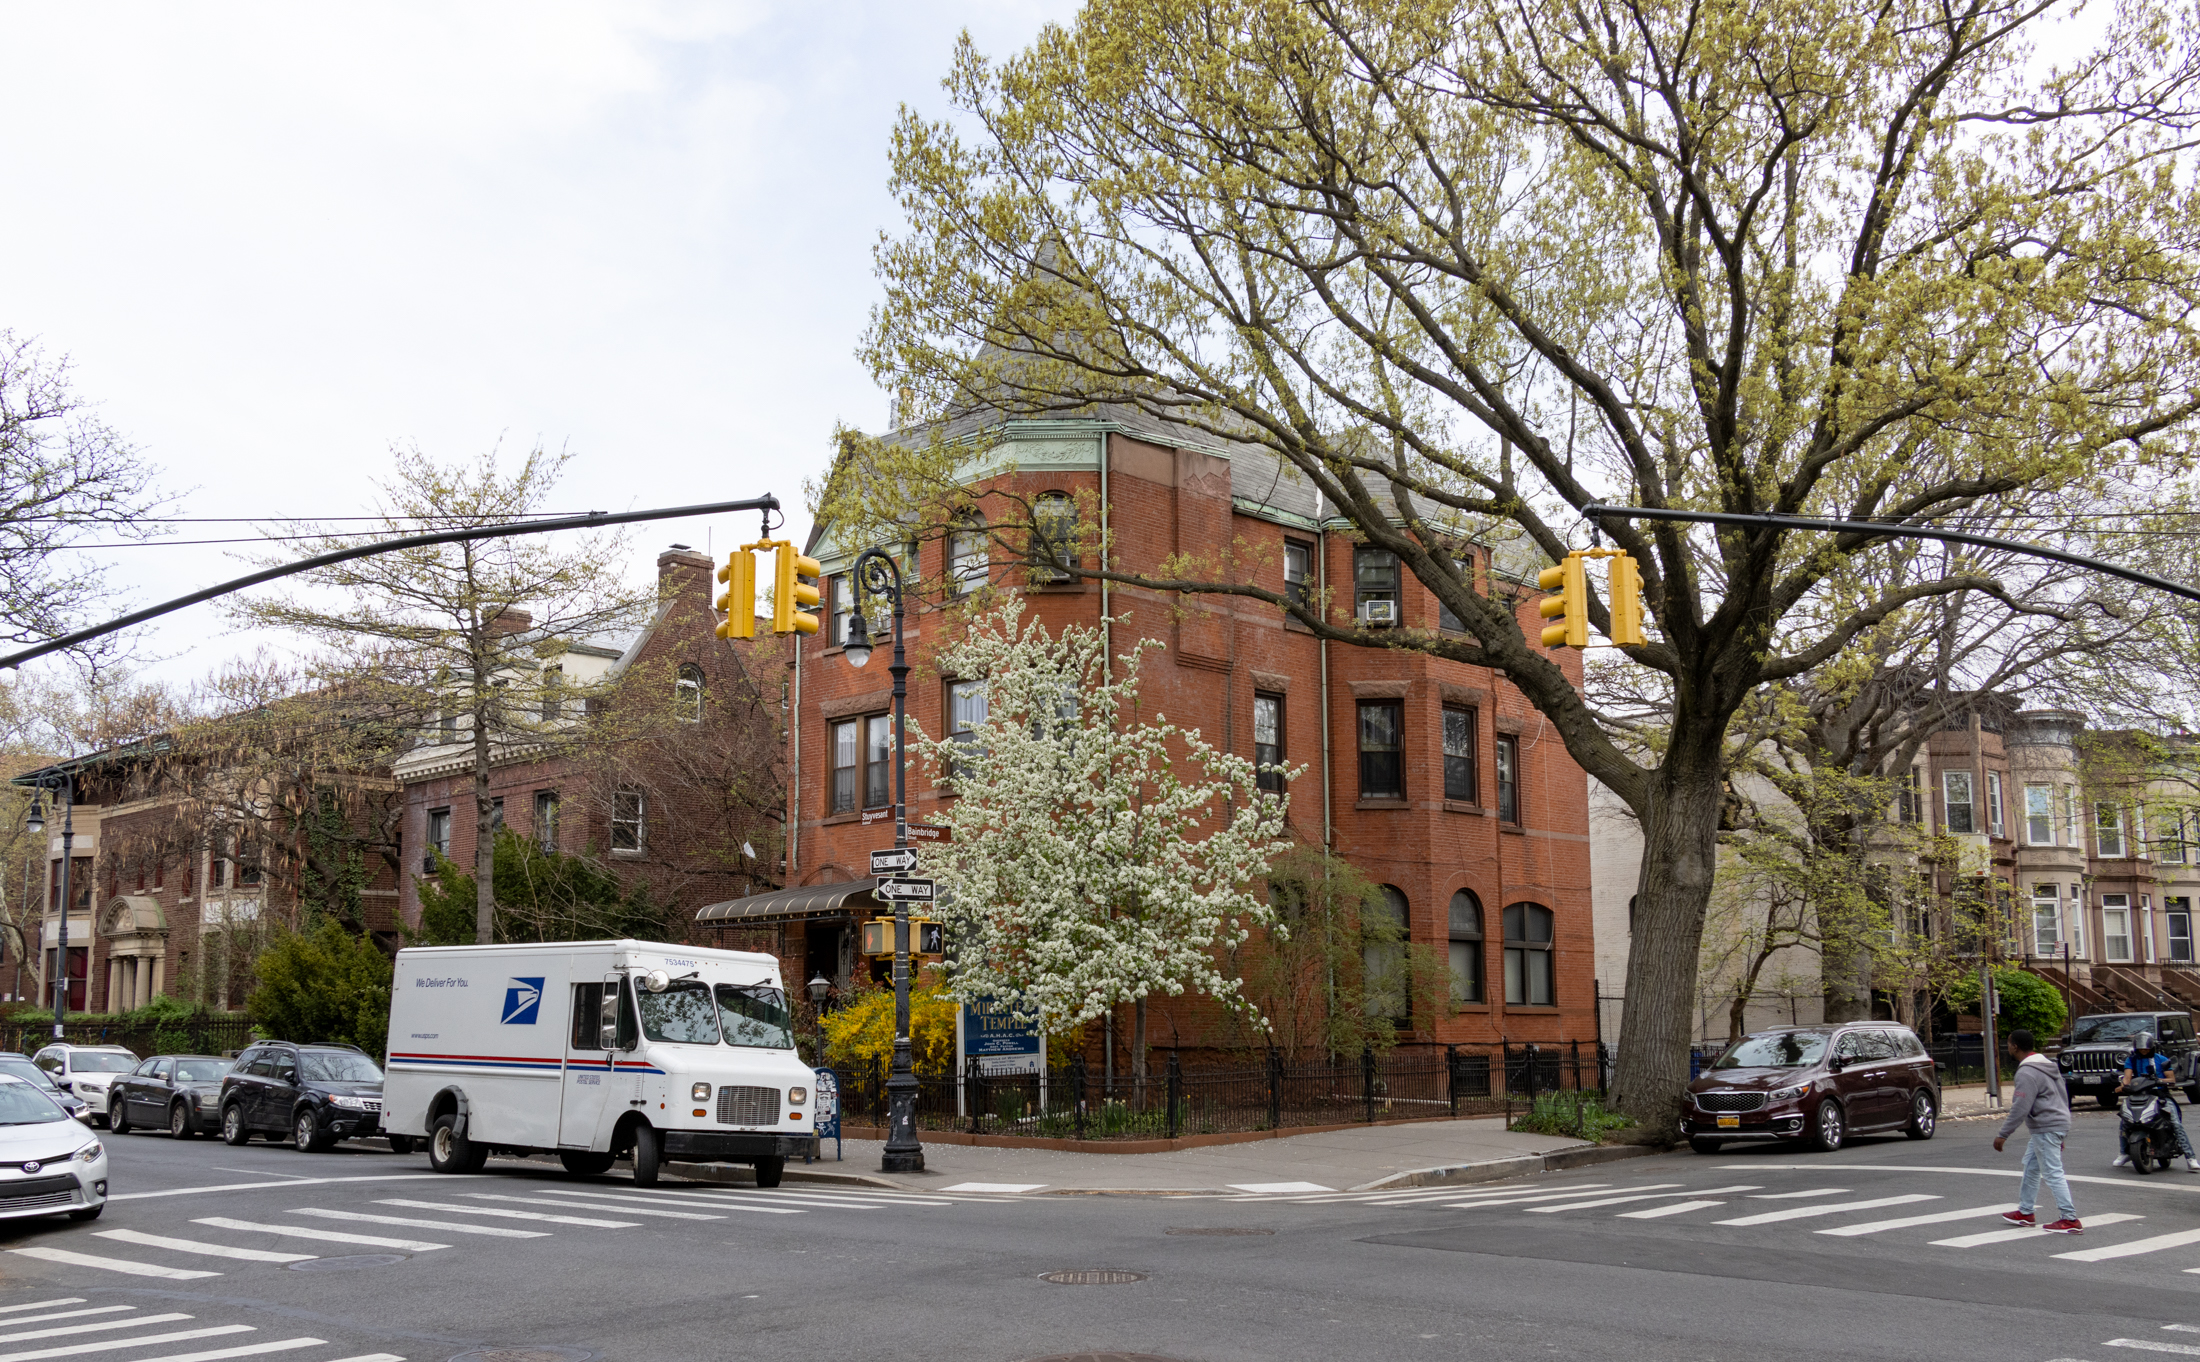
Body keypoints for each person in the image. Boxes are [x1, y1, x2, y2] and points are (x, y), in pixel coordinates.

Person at [1994, 1027, 2083, 1233]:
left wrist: (2003, 1134)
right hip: (2055, 1123)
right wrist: (2062, 1128)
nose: (2007, 1047)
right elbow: (2062, 1095)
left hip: (2046, 1126)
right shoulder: (2048, 1065)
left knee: (2052, 1172)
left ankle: (2069, 1218)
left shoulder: (2027, 1072)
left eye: (2008, 1044)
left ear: (2015, 1047)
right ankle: (2026, 1212)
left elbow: (2020, 1107)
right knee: (2032, 1167)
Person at [2112, 1031, 2200, 1172]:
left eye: (2146, 1048)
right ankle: (2124, 1153)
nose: (2144, 1051)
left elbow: (2171, 1079)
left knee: (2176, 1124)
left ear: (2151, 1046)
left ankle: (2191, 1158)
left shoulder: (2162, 1059)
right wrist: (2123, 1086)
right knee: (2125, 1122)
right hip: (2139, 1095)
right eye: (2141, 1048)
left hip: (2160, 1095)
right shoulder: (2131, 1060)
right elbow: (2127, 1077)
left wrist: (2160, 1081)